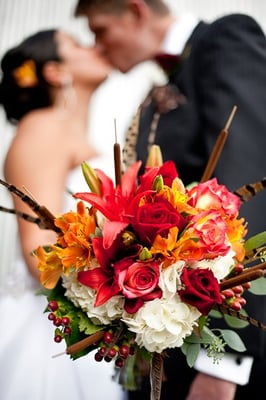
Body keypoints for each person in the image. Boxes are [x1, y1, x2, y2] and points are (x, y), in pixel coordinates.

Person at [73, 1, 266, 399]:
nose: (98, 45)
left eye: (101, 29)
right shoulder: (168, 77)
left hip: (216, 352)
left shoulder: (225, 40)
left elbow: (248, 186)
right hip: (168, 346)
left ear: (135, 11)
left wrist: (224, 363)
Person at [0, 29, 127, 400]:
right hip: (53, 329)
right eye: (78, 44)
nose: (96, 45)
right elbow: (37, 253)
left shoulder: (74, 131)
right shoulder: (43, 127)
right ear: (55, 71)